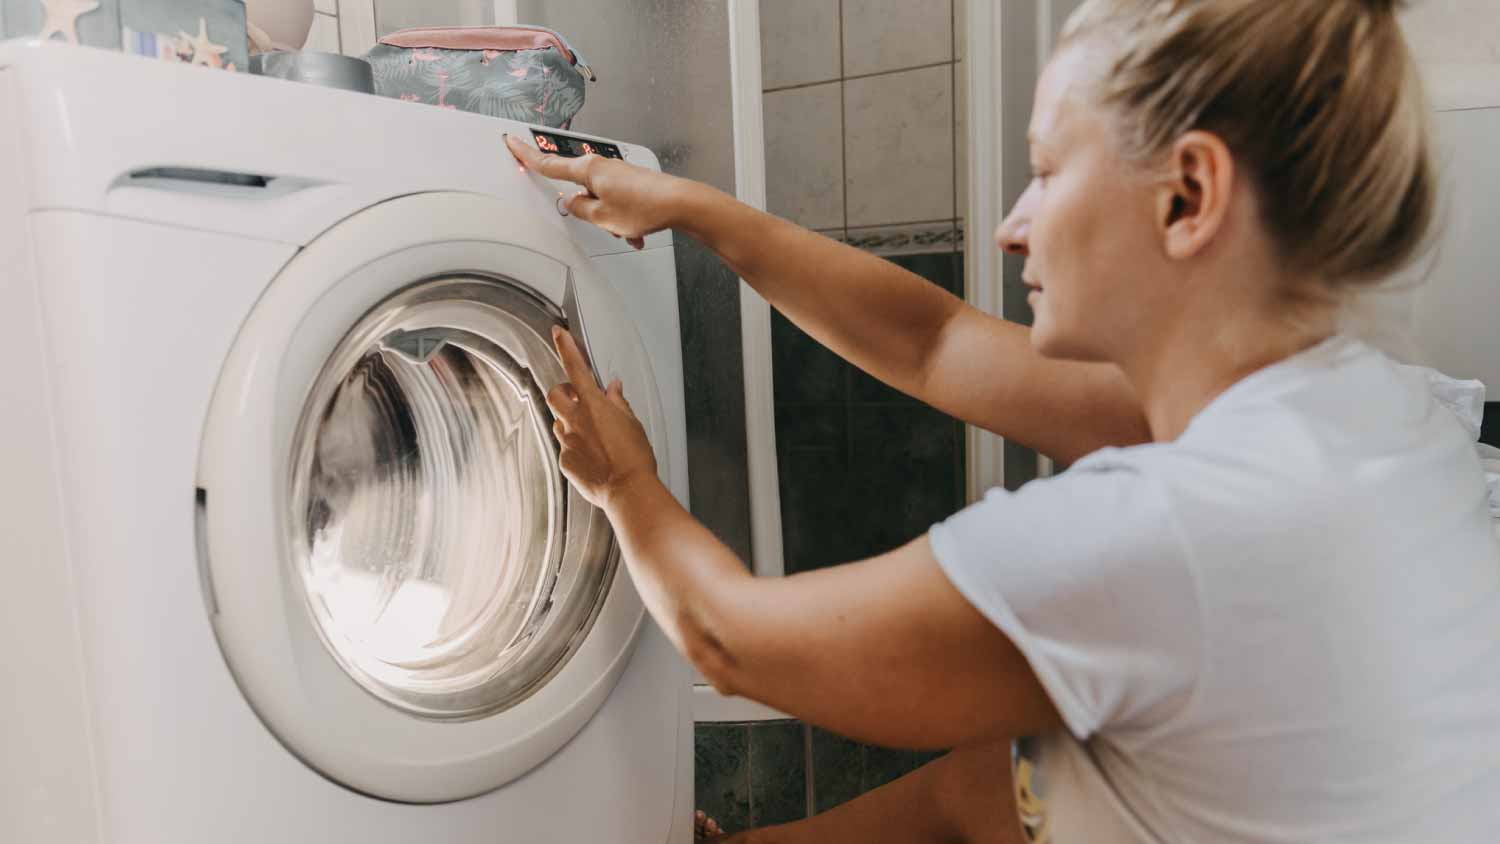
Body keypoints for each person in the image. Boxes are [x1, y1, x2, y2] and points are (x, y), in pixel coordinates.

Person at [505, 0, 1500, 840]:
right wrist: (695, 207)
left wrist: (623, 481)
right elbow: (933, 342)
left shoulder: (1175, 531)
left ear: (1189, 196)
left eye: (1051, 172)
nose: (1011, 222)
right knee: (1030, 766)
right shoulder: (1370, 414)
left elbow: (731, 643)